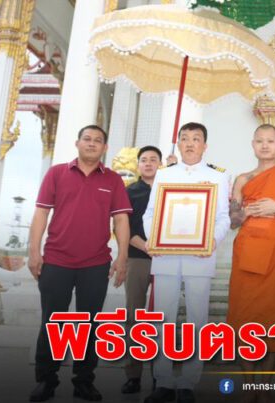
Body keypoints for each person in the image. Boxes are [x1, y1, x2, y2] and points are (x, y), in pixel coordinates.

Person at [28, 125, 132, 402]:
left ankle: (84, 381)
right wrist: (34, 251)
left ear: (105, 148)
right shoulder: (57, 173)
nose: (92, 143)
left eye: (98, 141)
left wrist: (122, 257)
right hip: (57, 260)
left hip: (96, 263)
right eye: (87, 139)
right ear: (77, 143)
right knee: (53, 322)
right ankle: (46, 380)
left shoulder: (112, 180)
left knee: (89, 324)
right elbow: (41, 213)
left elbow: (121, 220)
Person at [142, 122, 230, 403]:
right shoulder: (164, 174)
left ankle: (188, 382)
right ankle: (164, 380)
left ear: (205, 145)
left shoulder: (218, 176)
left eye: (196, 139)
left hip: (199, 257)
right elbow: (150, 213)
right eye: (185, 139)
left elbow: (223, 218)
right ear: (178, 144)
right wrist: (152, 238)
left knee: (197, 318)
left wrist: (212, 241)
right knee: (163, 318)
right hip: (166, 257)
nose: (190, 143)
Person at [227, 124, 275, 403]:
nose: (264, 145)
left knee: (272, 316)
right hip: (247, 251)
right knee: (244, 316)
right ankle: (249, 385)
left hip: (274, 254)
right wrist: (244, 212)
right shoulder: (242, 179)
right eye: (259, 140)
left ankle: (265, 386)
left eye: (270, 141)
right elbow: (233, 220)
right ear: (252, 144)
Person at [122, 145, 164, 394]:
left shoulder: (168, 188)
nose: (148, 163)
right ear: (138, 165)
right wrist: (146, 247)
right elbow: (123, 226)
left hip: (165, 260)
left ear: (160, 164)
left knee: (161, 316)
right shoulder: (129, 192)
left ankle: (160, 375)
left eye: (153, 160)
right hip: (138, 258)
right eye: (144, 160)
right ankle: (133, 375)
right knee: (134, 316)